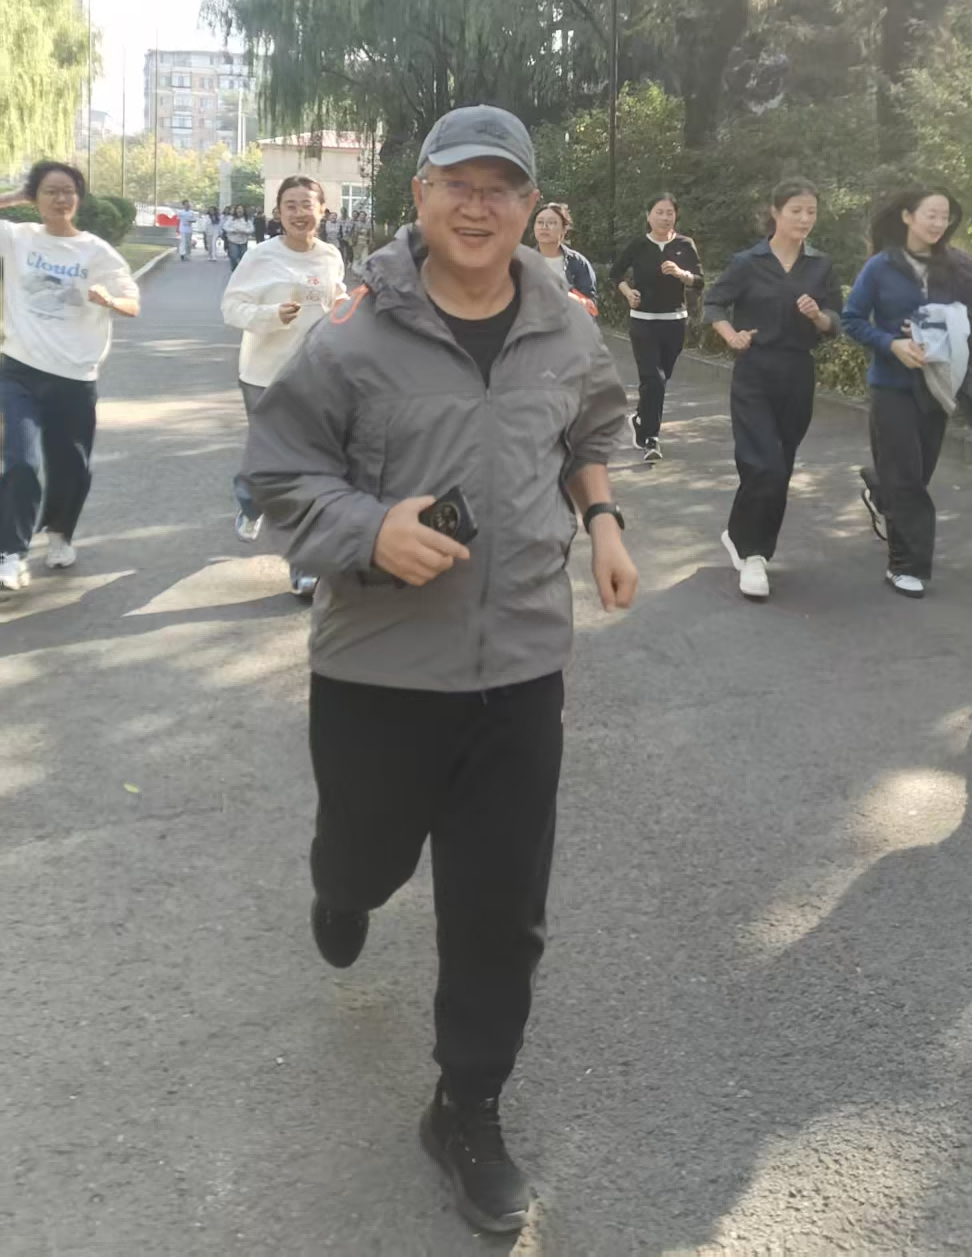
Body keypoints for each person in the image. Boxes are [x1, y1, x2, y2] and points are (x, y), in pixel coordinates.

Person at [242, 105, 637, 1235]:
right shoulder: (354, 334)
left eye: (500, 187)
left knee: (501, 910)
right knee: (366, 858)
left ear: (529, 206)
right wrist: (370, 529)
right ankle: (342, 884)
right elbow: (277, 471)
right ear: (418, 196)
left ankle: (466, 1106)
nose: (478, 206)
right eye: (456, 184)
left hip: (521, 666)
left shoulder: (564, 325)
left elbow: (591, 429)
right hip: (379, 671)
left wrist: (603, 522)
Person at [0, 161, 139, 592]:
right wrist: (15, 196)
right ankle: (12, 553)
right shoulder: (17, 237)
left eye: (68, 191)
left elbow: (132, 302)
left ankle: (60, 533)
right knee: (21, 460)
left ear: (79, 198)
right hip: (19, 368)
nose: (60, 199)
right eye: (49, 191)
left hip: (74, 374)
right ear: (35, 198)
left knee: (71, 466)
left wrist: (110, 301)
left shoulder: (96, 252)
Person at [705, 178, 843, 601]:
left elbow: (835, 322)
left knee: (779, 467)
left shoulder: (820, 266)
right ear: (776, 213)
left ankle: (739, 534)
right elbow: (713, 303)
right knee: (762, 462)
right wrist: (731, 336)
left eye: (811, 212)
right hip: (755, 370)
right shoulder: (748, 262)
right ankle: (754, 555)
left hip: (798, 372)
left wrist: (818, 316)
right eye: (796, 210)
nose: (804, 219)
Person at [843, 188, 972, 598]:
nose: (938, 223)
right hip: (891, 386)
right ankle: (905, 566)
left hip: (939, 384)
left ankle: (879, 486)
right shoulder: (881, 266)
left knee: (917, 475)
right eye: (930, 215)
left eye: (945, 216)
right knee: (907, 480)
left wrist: (942, 324)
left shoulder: (958, 266)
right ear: (908, 216)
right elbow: (852, 319)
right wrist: (892, 344)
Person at [222, 175, 345, 599]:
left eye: (307, 204)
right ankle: (250, 500)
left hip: (315, 377)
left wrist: (343, 307)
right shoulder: (260, 257)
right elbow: (231, 308)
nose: (299, 212)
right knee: (270, 464)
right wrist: (273, 315)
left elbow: (333, 300)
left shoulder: (330, 256)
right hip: (264, 375)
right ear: (278, 213)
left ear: (322, 211)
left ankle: (303, 564)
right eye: (290, 205)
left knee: (307, 471)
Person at [610, 192, 704, 462]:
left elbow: (699, 281)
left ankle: (641, 418)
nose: (665, 217)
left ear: (676, 216)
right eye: (659, 212)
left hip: (675, 322)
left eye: (669, 213)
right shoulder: (639, 245)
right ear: (648, 216)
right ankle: (651, 438)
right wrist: (628, 293)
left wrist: (681, 273)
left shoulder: (685, 244)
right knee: (653, 379)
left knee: (660, 380)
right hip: (643, 321)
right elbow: (616, 274)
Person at [532, 201, 598, 313]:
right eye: (540, 222)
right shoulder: (523, 262)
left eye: (551, 222)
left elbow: (591, 306)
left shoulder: (578, 263)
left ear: (564, 229)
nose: (544, 227)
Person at [223, 204, 254, 271]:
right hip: (233, 241)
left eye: (241, 209)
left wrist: (245, 231)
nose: (239, 210)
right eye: (238, 209)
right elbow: (225, 227)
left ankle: (241, 270)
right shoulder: (231, 219)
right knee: (234, 256)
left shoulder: (247, 220)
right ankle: (234, 269)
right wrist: (233, 230)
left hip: (243, 241)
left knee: (243, 257)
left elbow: (251, 229)